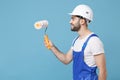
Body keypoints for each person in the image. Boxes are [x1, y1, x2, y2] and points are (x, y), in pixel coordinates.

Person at [44, 4, 107, 80]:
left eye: (73, 19)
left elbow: (102, 71)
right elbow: (66, 59)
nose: (70, 21)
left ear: (82, 21)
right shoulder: (76, 40)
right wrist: (52, 47)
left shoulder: (94, 41)